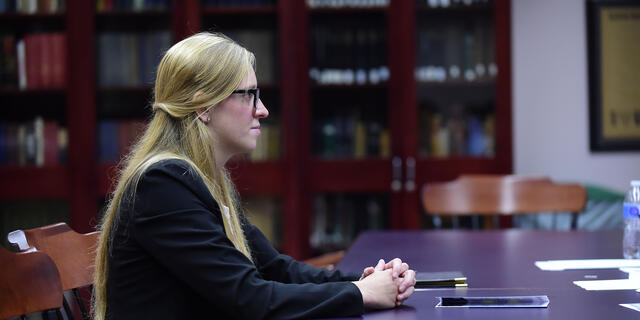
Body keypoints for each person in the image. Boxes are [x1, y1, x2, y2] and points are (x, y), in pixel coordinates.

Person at [92, 32, 416, 320]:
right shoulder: (162, 185)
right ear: (203, 107)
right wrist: (361, 294)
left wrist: (364, 282)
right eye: (248, 95)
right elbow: (251, 299)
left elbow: (276, 269)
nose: (262, 110)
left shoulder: (202, 179)